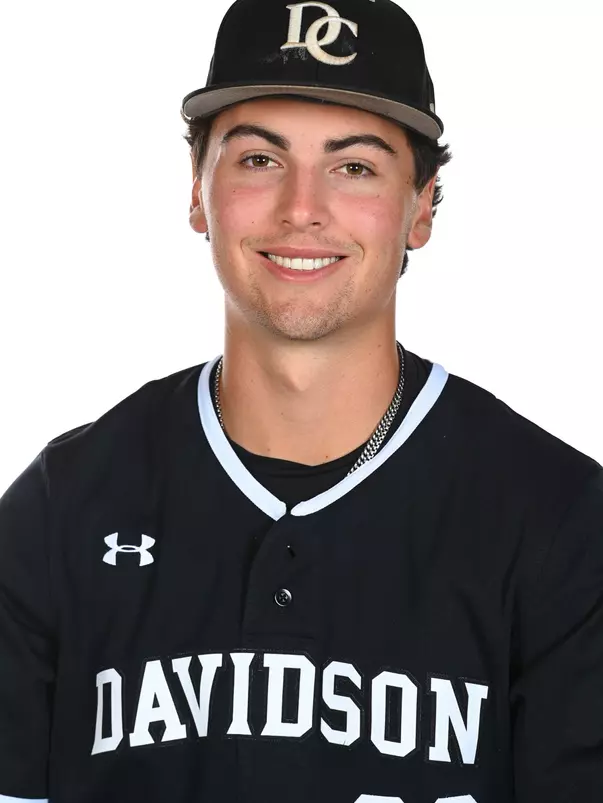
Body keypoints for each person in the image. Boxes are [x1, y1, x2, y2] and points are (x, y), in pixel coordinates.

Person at [1, 0, 602, 800]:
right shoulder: (62, 508)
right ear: (195, 193)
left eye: (354, 166)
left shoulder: (558, 519)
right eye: (258, 160)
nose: (300, 208)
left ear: (420, 207)